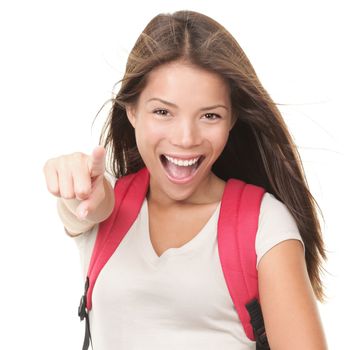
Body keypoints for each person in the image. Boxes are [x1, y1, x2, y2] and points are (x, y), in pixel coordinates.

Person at [43, 10, 328, 349]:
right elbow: (81, 211)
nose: (186, 137)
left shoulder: (264, 225)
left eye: (210, 115)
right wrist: (76, 194)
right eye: (163, 111)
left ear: (232, 118)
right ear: (131, 110)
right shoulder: (105, 204)